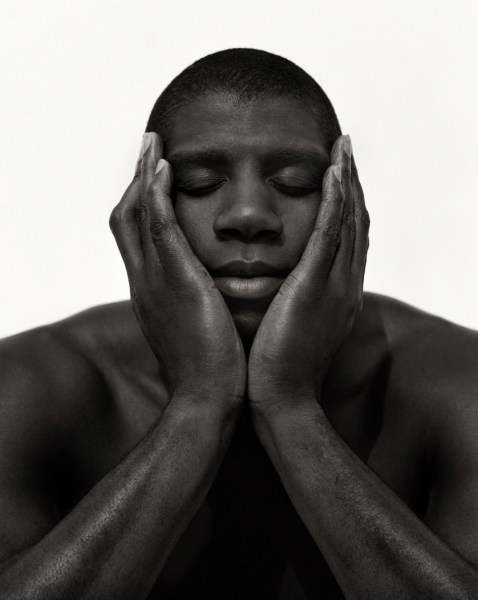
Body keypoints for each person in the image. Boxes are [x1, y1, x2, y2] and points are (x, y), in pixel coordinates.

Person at [0, 47, 477, 600]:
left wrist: (289, 405)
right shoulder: (30, 387)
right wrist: (200, 402)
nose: (248, 215)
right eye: (202, 183)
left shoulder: (455, 384)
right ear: (144, 208)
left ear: (344, 201)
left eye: (295, 183)